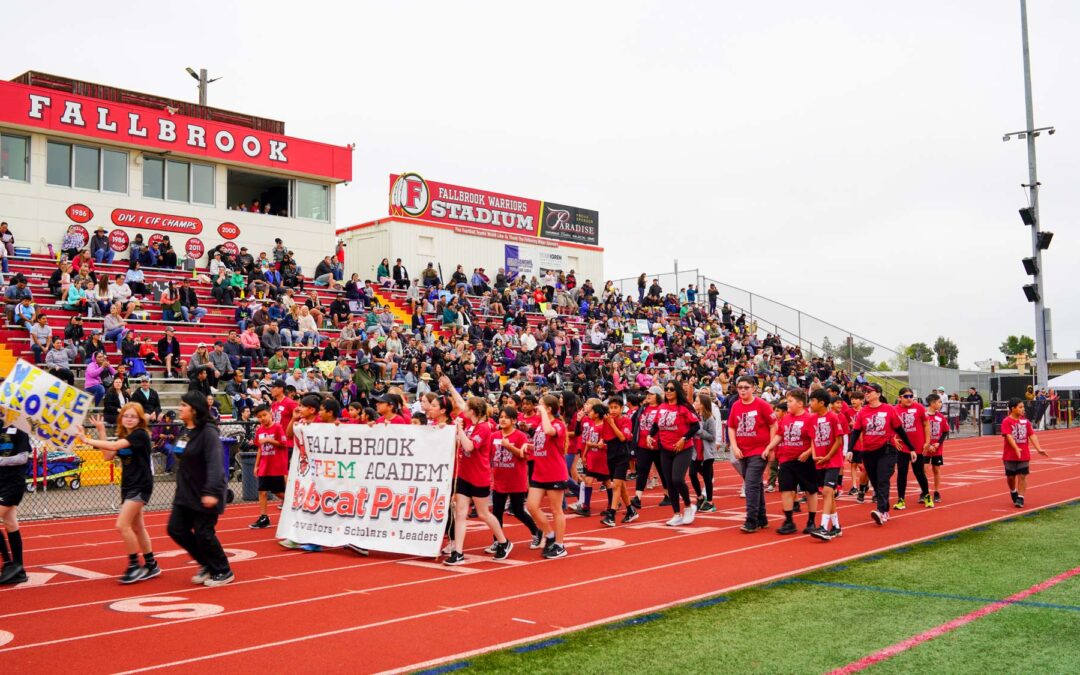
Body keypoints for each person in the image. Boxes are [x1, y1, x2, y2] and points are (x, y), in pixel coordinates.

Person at [78, 406, 160, 583]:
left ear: (140, 419)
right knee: (137, 527)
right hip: (128, 485)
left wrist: (86, 440)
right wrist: (101, 431)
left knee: (122, 525)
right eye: (126, 416)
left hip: (141, 485)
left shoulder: (140, 435)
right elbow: (108, 456)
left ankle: (134, 566)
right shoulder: (125, 436)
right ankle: (151, 564)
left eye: (133, 416)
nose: (129, 419)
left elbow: (114, 446)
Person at [166, 390, 233, 586]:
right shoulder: (185, 431)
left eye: (184, 405)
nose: (180, 408)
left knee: (204, 533)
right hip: (185, 491)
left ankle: (223, 569)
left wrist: (211, 492)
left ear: (194, 410)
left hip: (205, 491)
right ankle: (206, 563)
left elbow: (215, 463)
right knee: (176, 529)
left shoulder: (208, 433)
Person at [445, 397, 511, 565]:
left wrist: (459, 429)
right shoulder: (471, 423)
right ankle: (458, 552)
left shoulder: (483, 429)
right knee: (460, 513)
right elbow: (460, 403)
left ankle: (504, 541)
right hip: (464, 475)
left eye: (467, 408)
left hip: (479, 476)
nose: (463, 410)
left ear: (473, 411)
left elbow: (469, 447)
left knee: (483, 513)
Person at [849, 382, 915, 526]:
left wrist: (911, 448)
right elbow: (856, 432)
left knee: (883, 479)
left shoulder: (889, 410)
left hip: (886, 450)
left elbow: (899, 430)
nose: (866, 394)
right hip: (868, 451)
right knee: (875, 481)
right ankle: (885, 509)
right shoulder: (863, 412)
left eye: (869, 391)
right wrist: (849, 449)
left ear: (878, 394)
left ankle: (881, 511)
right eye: (865, 391)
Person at [727, 375, 778, 533]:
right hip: (743, 451)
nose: (742, 390)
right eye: (740, 387)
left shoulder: (762, 405)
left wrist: (769, 448)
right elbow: (731, 427)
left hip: (759, 451)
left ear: (753, 388)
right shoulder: (735, 406)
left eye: (746, 387)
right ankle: (762, 517)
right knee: (754, 484)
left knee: (750, 484)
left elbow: (773, 425)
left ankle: (751, 519)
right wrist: (734, 447)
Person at [764, 388, 818, 535]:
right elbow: (779, 435)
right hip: (787, 460)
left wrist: (808, 453)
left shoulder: (810, 418)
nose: (787, 404)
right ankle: (789, 521)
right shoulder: (786, 418)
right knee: (786, 490)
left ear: (800, 403)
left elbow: (815, 439)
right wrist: (769, 447)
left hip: (804, 461)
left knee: (810, 490)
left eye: (790, 401)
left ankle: (811, 521)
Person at [489, 406, 543, 551]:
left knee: (518, 510)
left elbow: (524, 455)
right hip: (499, 480)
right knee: (497, 512)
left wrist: (509, 447)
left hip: (516, 479)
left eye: (506, 417)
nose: (502, 419)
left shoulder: (520, 436)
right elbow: (489, 455)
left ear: (514, 420)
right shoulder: (494, 436)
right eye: (500, 417)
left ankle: (536, 532)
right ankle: (498, 540)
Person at [649, 380, 701, 527]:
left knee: (677, 479)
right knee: (669, 482)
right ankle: (676, 514)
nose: (669, 391)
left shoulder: (684, 407)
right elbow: (655, 425)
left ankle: (689, 506)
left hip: (682, 448)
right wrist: (650, 435)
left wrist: (684, 439)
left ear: (677, 391)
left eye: (672, 389)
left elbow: (696, 426)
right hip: (665, 448)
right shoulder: (662, 407)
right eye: (666, 389)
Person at [525, 394, 569, 559]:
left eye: (541, 405)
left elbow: (550, 431)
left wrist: (543, 413)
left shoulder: (558, 425)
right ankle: (549, 535)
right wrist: (527, 446)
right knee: (531, 506)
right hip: (540, 472)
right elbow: (540, 446)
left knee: (556, 509)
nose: (537, 407)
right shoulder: (539, 426)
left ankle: (560, 544)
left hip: (555, 473)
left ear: (549, 409)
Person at [808, 389, 845, 540]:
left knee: (827, 492)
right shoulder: (812, 419)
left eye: (813, 401)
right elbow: (812, 438)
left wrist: (828, 456)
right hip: (819, 461)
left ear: (822, 403)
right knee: (828, 494)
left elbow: (839, 440)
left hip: (833, 461)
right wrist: (815, 455)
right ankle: (836, 527)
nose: (810, 404)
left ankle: (823, 527)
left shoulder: (833, 417)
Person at [1001, 397, 1048, 508]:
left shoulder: (1025, 422)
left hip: (1024, 455)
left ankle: (1021, 497)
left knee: (1022, 476)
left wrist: (1038, 448)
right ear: (1013, 408)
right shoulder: (1006, 421)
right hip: (1010, 455)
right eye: (1020, 407)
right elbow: (1008, 436)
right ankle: (1013, 491)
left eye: (1023, 407)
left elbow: (1032, 435)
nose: (1023, 409)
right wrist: (1016, 448)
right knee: (1011, 477)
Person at [0, 425, 31, 585]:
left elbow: (23, 457)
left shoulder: (19, 429)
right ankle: (18, 568)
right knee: (10, 523)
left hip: (13, 483)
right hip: (1, 481)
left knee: (8, 522)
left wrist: (1, 460)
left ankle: (9, 564)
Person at [249, 405, 288, 529]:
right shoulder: (259, 430)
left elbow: (283, 444)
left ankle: (294, 505)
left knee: (278, 492)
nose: (262, 418)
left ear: (270, 414)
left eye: (264, 415)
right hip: (265, 466)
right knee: (262, 491)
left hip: (276, 466)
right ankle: (264, 517)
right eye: (259, 417)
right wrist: (256, 465)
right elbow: (260, 448)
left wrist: (268, 440)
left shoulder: (277, 427)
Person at [894, 386, 931, 510]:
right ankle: (901, 499)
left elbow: (926, 425)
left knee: (919, 472)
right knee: (902, 473)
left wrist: (927, 441)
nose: (909, 399)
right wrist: (893, 439)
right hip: (902, 447)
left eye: (911, 396)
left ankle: (926, 495)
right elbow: (890, 427)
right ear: (900, 398)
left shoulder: (919, 408)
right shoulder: (895, 410)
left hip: (918, 446)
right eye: (906, 396)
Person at [601, 397, 635, 525]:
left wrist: (612, 424)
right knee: (621, 485)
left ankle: (611, 515)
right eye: (611, 408)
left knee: (615, 485)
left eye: (616, 407)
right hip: (610, 453)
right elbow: (604, 437)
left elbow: (622, 438)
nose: (613, 410)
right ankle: (631, 510)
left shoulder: (626, 420)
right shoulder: (607, 420)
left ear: (621, 409)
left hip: (622, 453)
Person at [689, 392, 718, 513]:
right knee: (692, 473)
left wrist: (699, 431)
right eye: (695, 400)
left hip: (707, 452)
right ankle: (700, 497)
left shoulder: (710, 418)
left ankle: (710, 502)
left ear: (703, 404)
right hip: (695, 451)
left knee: (707, 477)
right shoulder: (693, 416)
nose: (694, 403)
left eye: (697, 401)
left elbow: (712, 437)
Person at [924, 393, 950, 505]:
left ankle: (936, 491)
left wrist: (938, 443)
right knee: (924, 470)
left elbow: (945, 431)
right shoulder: (924, 416)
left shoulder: (940, 416)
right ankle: (924, 492)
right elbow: (920, 432)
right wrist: (927, 444)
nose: (941, 404)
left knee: (936, 469)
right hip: (925, 448)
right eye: (939, 402)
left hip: (937, 449)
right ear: (932, 403)